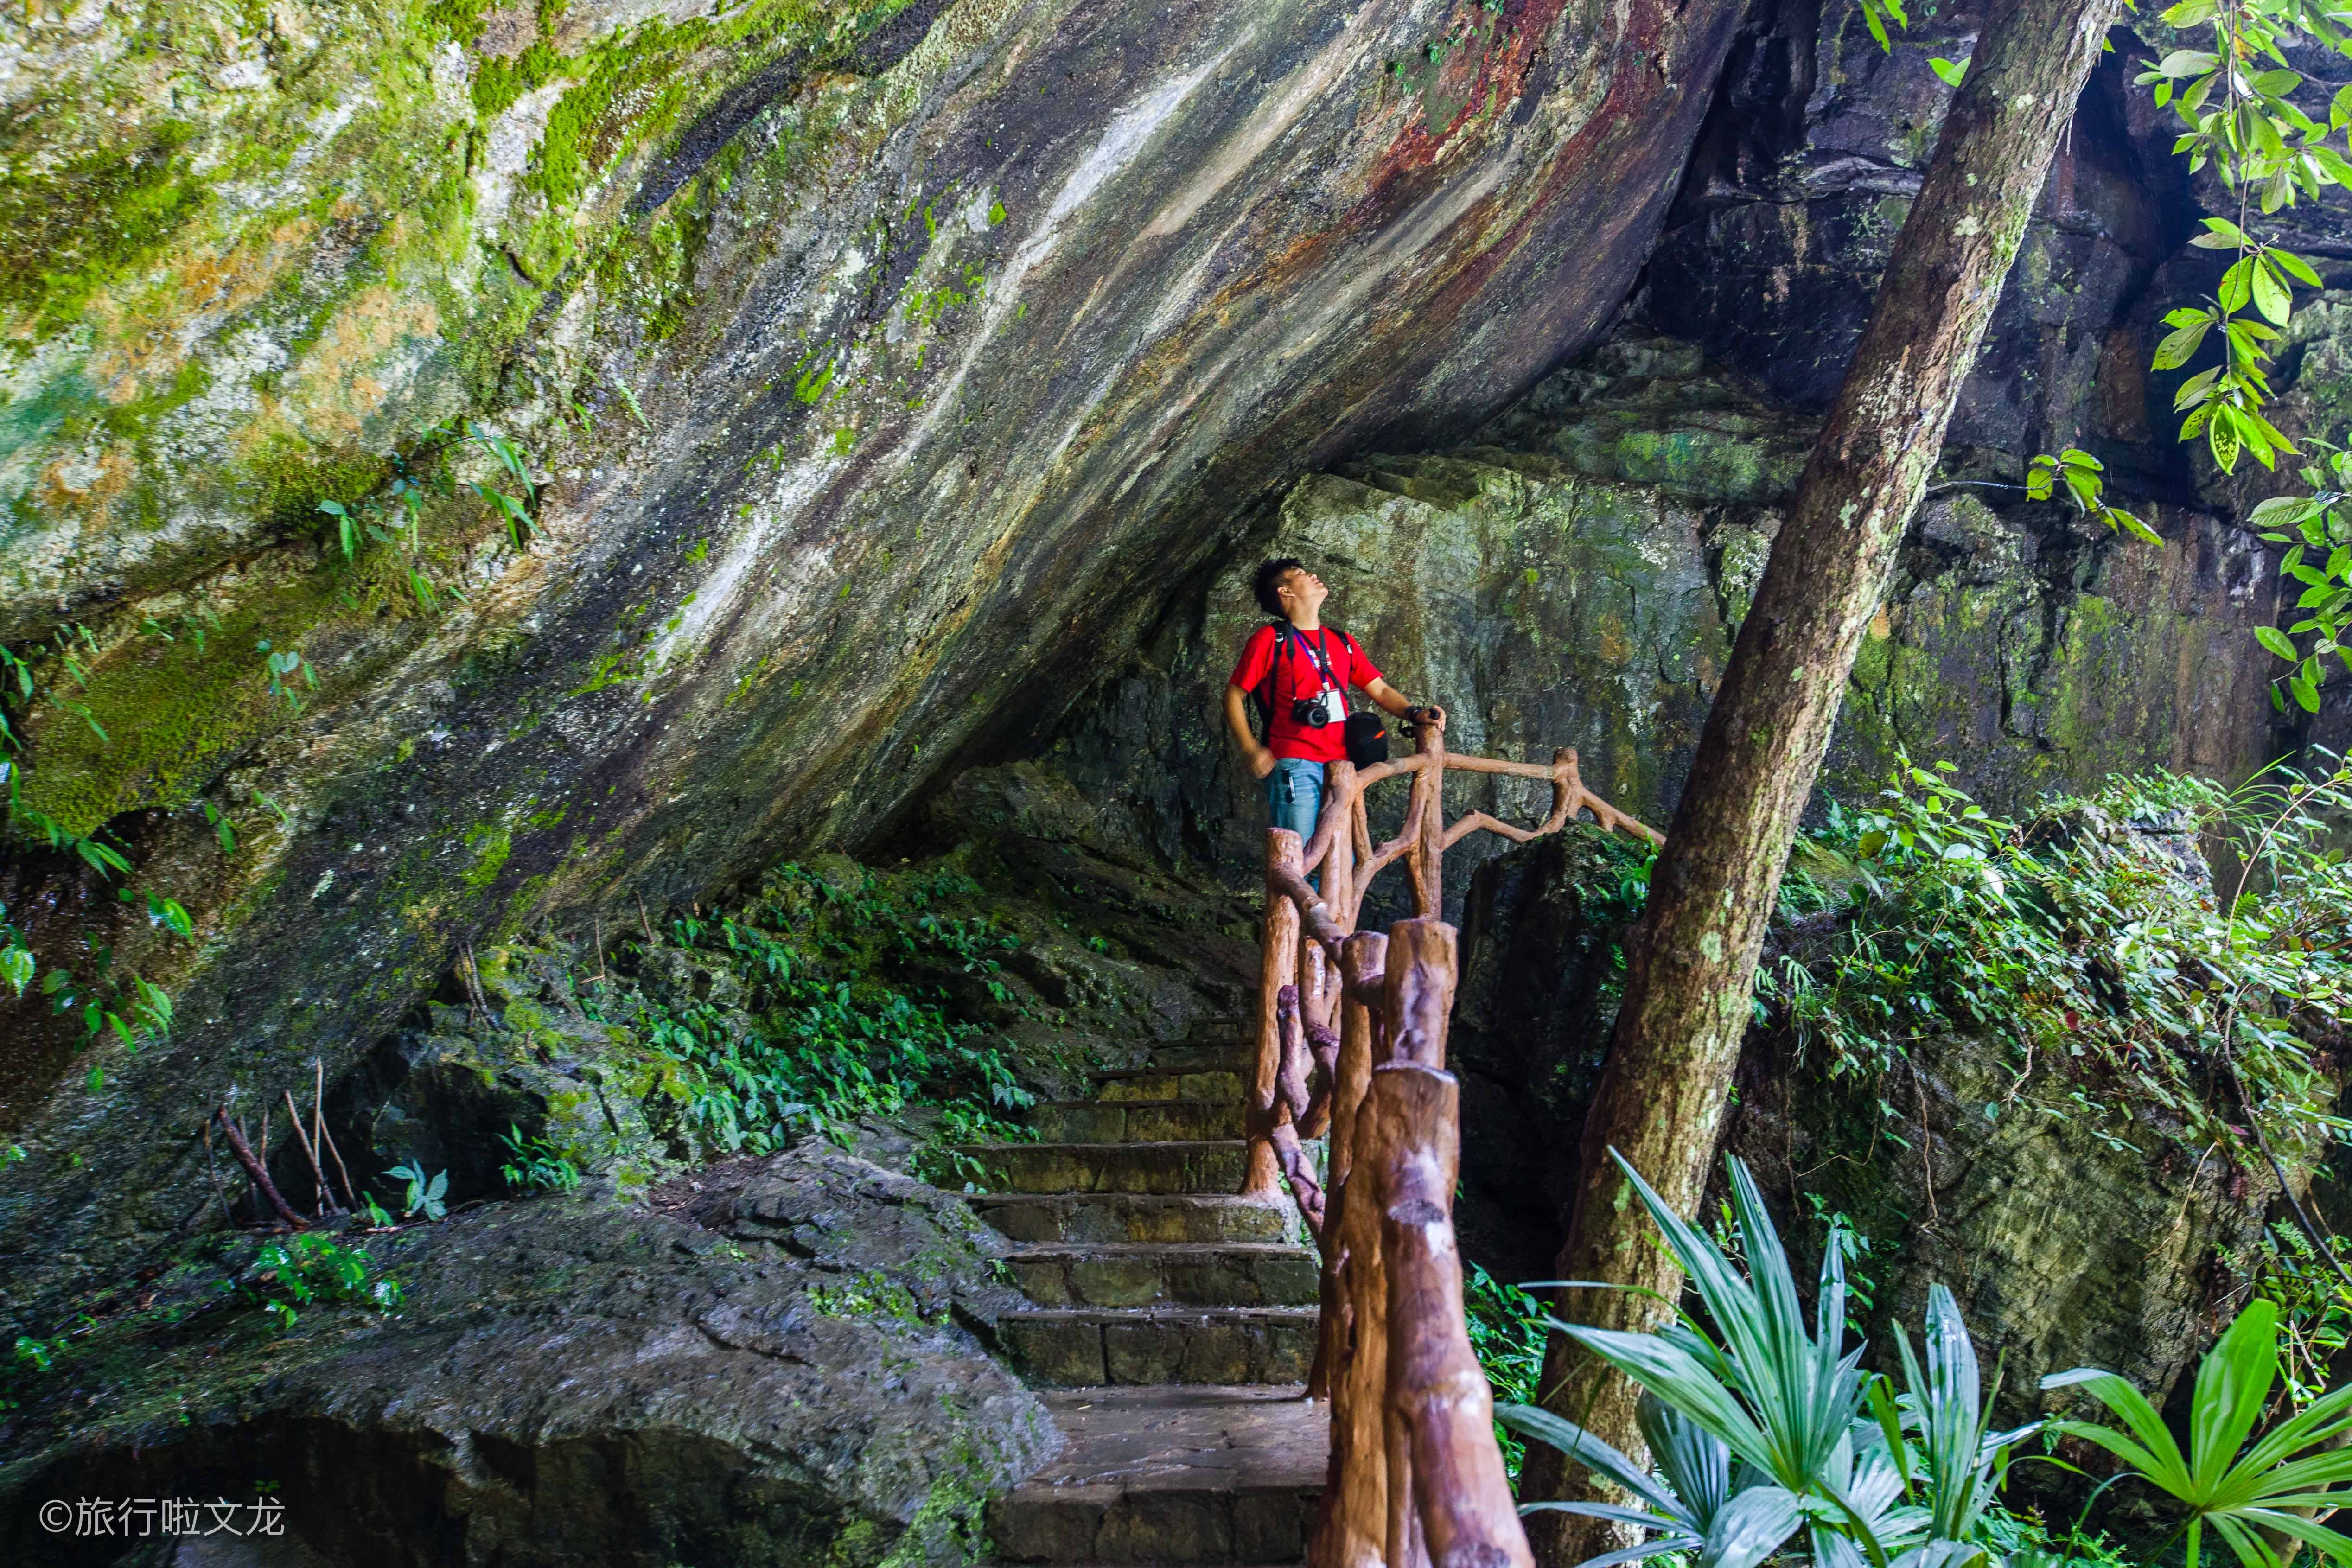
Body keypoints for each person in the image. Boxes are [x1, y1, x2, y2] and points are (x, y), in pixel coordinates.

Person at [1223, 557, 1446, 845]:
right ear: (1285, 591)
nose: (1313, 575)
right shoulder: (1270, 640)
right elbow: (1233, 695)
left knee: (1341, 860)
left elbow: (1379, 690)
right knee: (1300, 855)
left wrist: (1415, 714)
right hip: (1295, 764)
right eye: (1301, 574)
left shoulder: (1343, 642)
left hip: (1342, 766)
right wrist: (1251, 749)